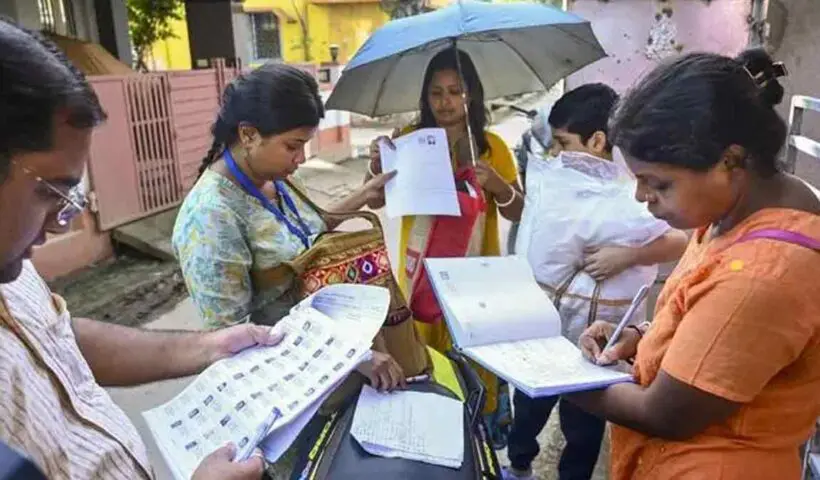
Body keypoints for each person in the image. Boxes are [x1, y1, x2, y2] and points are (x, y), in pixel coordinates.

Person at [0, 17, 276, 480]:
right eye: (51, 192)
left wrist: (209, 347)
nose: (60, 221)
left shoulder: (12, 264)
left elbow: (58, 335)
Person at [570, 49, 820, 480]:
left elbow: (667, 413)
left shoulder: (764, 274)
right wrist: (639, 338)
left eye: (658, 184)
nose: (642, 197)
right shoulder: (730, 213)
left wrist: (565, 382)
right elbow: (712, 326)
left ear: (730, 160)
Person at [172, 63, 406, 392]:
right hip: (287, 384)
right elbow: (232, 342)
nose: (300, 158)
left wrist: (364, 194)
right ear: (248, 135)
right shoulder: (211, 218)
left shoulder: (275, 179)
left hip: (334, 355)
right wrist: (351, 357)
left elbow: (308, 230)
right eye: (292, 146)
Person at [504, 84, 688, 480]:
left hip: (599, 341)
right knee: (530, 405)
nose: (555, 154)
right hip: (546, 328)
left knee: (584, 424)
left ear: (598, 140)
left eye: (563, 143)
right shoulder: (556, 182)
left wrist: (629, 255)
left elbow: (679, 239)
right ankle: (519, 464)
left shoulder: (634, 189)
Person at [365, 48, 523, 447]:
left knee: (470, 364)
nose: (446, 102)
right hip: (417, 281)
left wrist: (497, 186)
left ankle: (474, 448)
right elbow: (378, 202)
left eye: (456, 91)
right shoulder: (407, 141)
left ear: (472, 95)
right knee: (420, 364)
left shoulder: (492, 148)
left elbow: (519, 210)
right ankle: (425, 447)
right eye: (436, 93)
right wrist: (375, 166)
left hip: (475, 282)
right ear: (425, 97)